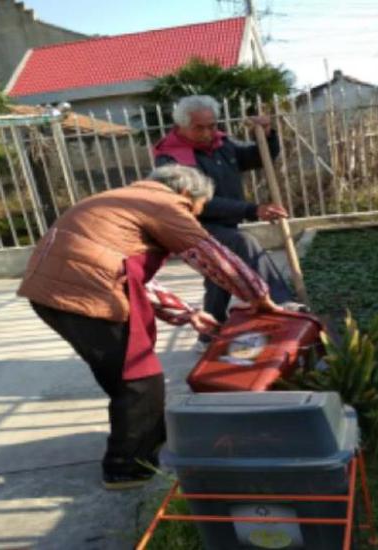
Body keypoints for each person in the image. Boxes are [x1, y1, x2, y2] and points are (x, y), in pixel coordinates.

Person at [17, 165, 280, 490]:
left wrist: (189, 315)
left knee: (124, 376)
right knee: (139, 380)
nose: (195, 216)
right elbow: (213, 256)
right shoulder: (165, 204)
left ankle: (150, 438)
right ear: (186, 194)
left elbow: (125, 277)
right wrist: (259, 297)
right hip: (82, 297)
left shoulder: (123, 199)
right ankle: (125, 468)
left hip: (53, 295)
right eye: (197, 209)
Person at [153, 95, 300, 349]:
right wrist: (252, 209)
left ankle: (207, 335)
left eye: (212, 125)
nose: (209, 132)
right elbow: (201, 202)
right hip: (191, 228)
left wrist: (266, 134)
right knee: (243, 242)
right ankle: (283, 301)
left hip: (224, 224)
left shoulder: (222, 144)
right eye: (201, 127)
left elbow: (259, 157)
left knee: (219, 276)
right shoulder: (171, 157)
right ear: (182, 126)